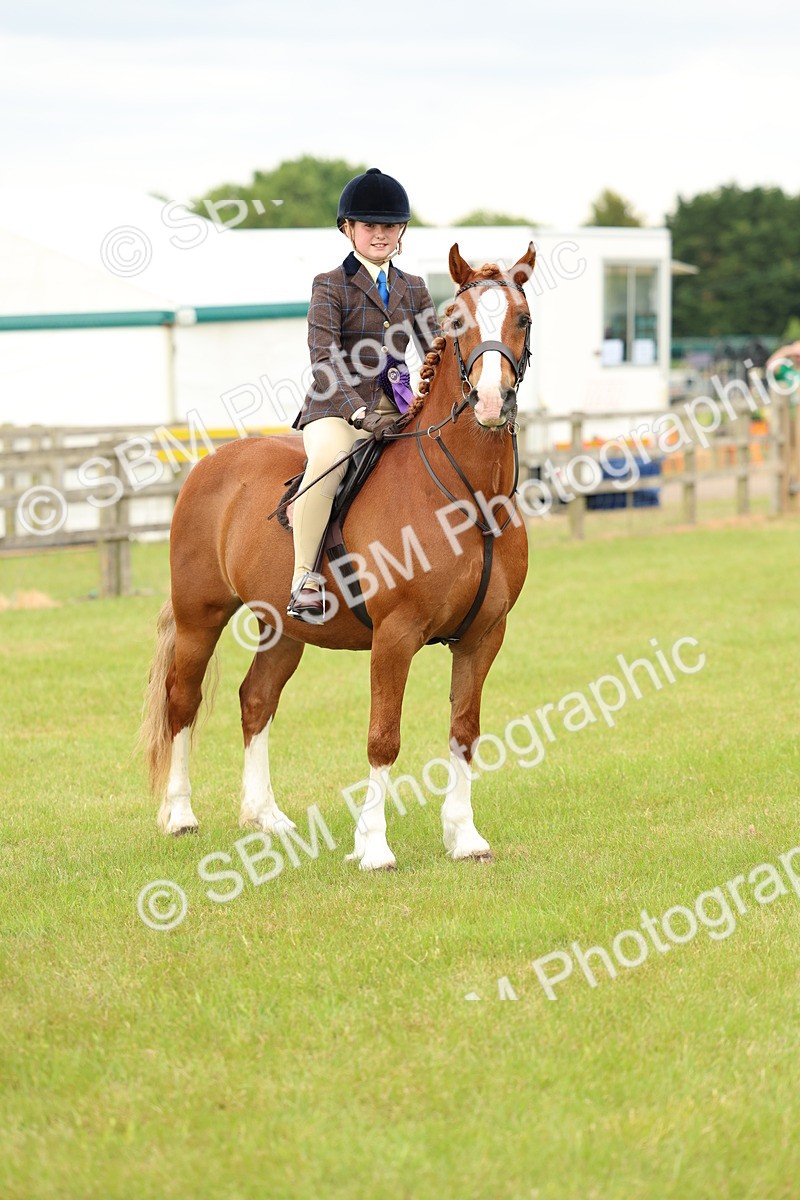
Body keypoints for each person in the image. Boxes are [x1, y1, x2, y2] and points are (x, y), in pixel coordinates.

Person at [287, 167, 439, 623]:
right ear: (348, 229)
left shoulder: (413, 287)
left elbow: (434, 350)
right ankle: (304, 579)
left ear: (402, 231)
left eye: (388, 227)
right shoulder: (329, 284)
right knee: (330, 462)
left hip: (397, 407)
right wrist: (355, 412)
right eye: (369, 226)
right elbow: (323, 356)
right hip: (336, 408)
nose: (380, 234)